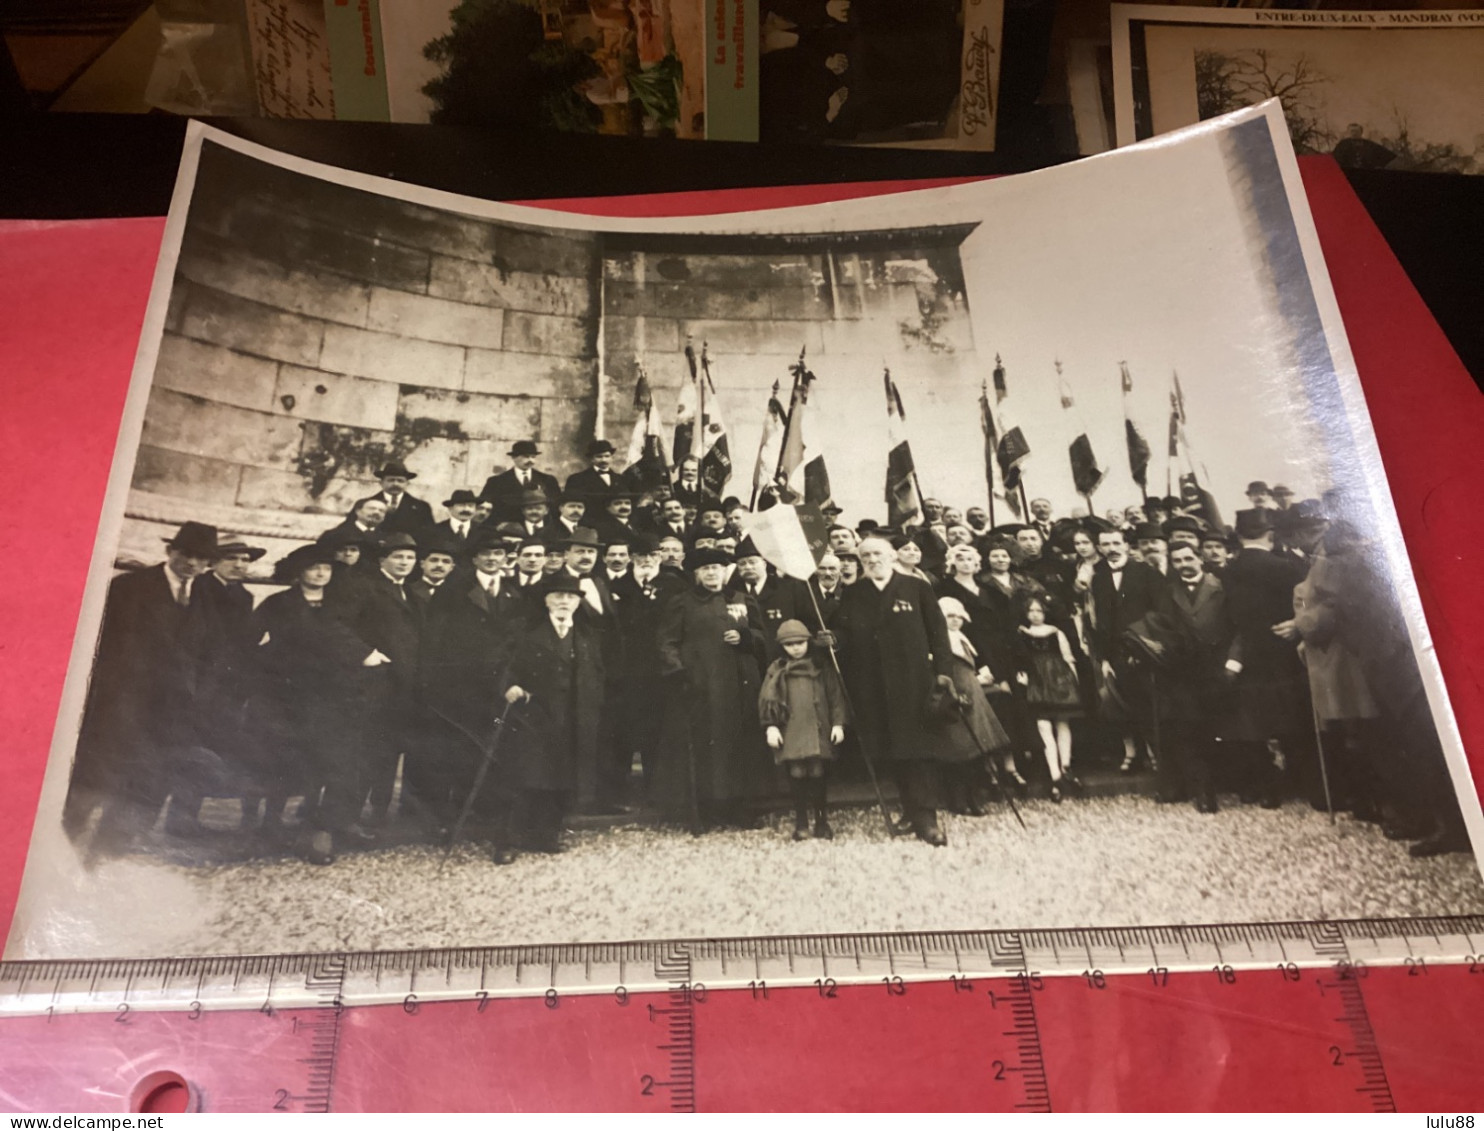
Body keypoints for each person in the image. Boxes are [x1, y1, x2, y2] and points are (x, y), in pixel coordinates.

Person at [66, 522, 223, 855]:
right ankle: (56, 854)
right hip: (122, 706)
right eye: (187, 554)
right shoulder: (130, 588)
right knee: (94, 785)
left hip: (170, 716)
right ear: (170, 551)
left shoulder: (208, 597)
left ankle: (106, 860)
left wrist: (197, 698)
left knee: (144, 791)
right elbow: (106, 648)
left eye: (203, 558)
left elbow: (209, 654)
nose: (193, 564)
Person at [251, 543, 385, 864]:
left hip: (335, 695)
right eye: (314, 568)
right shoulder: (278, 603)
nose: (321, 573)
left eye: (326, 567)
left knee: (335, 759)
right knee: (286, 759)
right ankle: (270, 827)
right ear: (299, 573)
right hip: (288, 695)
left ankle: (319, 831)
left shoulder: (340, 605)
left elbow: (357, 639)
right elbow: (251, 640)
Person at [830, 537, 955, 845]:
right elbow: (845, 633)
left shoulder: (916, 588)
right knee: (893, 749)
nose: (873, 559)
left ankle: (927, 818)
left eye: (878, 554)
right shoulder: (854, 593)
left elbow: (939, 633)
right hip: (872, 685)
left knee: (918, 750)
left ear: (891, 556)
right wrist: (833, 639)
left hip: (913, 684)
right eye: (866, 555)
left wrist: (943, 674)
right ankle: (911, 808)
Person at [418, 529, 529, 833]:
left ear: (506, 559)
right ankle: (446, 818)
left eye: (499, 554)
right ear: (476, 558)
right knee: (455, 750)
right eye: (486, 554)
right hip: (459, 685)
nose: (493, 559)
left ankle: (484, 813)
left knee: (490, 749)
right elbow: (435, 640)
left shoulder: (513, 592)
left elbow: (517, 641)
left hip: (496, 685)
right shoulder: (454, 589)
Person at [655, 547, 767, 828]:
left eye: (716, 568)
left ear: (725, 571)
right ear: (697, 574)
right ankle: (707, 809)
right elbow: (667, 642)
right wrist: (679, 673)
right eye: (705, 569)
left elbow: (764, 637)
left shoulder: (741, 599)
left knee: (739, 745)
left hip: (740, 688)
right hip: (701, 687)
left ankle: (740, 808)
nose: (711, 573)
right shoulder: (683, 602)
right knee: (706, 748)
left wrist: (745, 637)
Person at [496, 573, 604, 862]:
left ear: (579, 602)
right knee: (525, 777)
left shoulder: (587, 635)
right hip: (534, 716)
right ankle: (508, 840)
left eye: (570, 597)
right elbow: (505, 665)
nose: (564, 602)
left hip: (574, 716)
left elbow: (598, 674)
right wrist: (511, 685)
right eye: (558, 596)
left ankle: (546, 834)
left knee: (562, 778)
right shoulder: (526, 631)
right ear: (546, 601)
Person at [332, 530, 424, 834]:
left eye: (410, 557)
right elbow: (337, 624)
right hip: (373, 685)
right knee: (364, 751)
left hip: (402, 687)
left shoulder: (409, 591)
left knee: (389, 751)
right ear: (383, 559)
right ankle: (347, 818)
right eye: (398, 556)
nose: (405, 562)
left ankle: (378, 813)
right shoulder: (365, 587)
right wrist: (365, 653)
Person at [1221, 508, 1313, 808]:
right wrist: (1297, 626)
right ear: (1270, 534)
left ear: (1238, 536)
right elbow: (1308, 601)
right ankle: (1304, 782)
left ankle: (1267, 789)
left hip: (1247, 654)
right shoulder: (1286, 567)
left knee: (1255, 725)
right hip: (1285, 651)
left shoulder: (1227, 570)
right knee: (1294, 720)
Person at [1151, 543, 1237, 813]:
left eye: (1189, 558)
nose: (1184, 564)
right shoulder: (1167, 593)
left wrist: (1233, 663)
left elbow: (1238, 627)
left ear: (1200, 558)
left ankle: (1248, 784)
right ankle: (1204, 792)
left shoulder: (1221, 587)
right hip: (1184, 673)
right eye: (1177, 560)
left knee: (1224, 728)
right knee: (1191, 731)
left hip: (1219, 668)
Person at [758, 619, 847, 840]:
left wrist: (838, 723)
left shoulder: (822, 666)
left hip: (818, 727)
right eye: (790, 644)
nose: (796, 648)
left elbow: (836, 697)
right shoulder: (776, 670)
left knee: (817, 771)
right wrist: (771, 727)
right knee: (797, 772)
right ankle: (801, 822)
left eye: (800, 643)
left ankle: (821, 821)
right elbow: (767, 701)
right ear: (782, 646)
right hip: (792, 729)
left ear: (808, 642)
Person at [1089, 525, 1165, 774]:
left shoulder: (1146, 572)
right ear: (1099, 548)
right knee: (1120, 702)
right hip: (1115, 652)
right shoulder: (1097, 577)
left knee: (1149, 702)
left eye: (1115, 543)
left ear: (1125, 545)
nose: (1111, 549)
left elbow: (1159, 611)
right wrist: (1104, 656)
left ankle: (1157, 755)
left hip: (1144, 649)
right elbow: (1098, 619)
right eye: (1105, 545)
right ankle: (1131, 753)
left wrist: (1144, 641)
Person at [936, 596, 1013, 815]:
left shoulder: (961, 638)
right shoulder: (940, 641)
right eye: (950, 617)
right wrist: (953, 696)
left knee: (976, 751)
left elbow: (970, 668)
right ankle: (957, 800)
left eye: (958, 617)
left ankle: (972, 797)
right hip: (955, 700)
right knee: (959, 752)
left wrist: (982, 677)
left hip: (973, 696)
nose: (955, 621)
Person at [1016, 594, 1082, 803]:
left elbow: (1067, 656)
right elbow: (1019, 658)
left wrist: (1074, 681)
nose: (1035, 615)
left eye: (1039, 611)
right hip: (1036, 682)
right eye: (1031, 611)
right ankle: (1055, 776)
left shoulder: (1056, 632)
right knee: (1044, 727)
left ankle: (1066, 767)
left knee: (1063, 724)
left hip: (1059, 681)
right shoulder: (1022, 634)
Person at [480, 441, 561, 524]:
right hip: (508, 530)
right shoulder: (496, 482)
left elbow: (556, 508)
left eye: (533, 457)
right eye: (525, 457)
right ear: (514, 457)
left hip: (541, 530)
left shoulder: (547, 480)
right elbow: (485, 509)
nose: (530, 460)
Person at [371, 461, 434, 534]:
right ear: (381, 483)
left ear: (407, 484)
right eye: (391, 480)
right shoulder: (365, 504)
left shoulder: (421, 507)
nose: (395, 484)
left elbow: (430, 536)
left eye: (400, 481)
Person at [565, 439, 623, 510]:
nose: (604, 460)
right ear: (591, 459)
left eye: (607, 456)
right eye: (599, 456)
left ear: (612, 458)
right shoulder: (577, 479)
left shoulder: (621, 479)